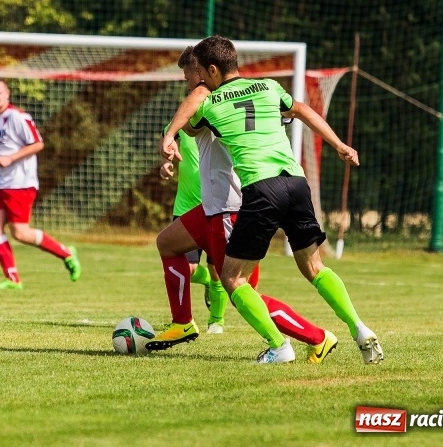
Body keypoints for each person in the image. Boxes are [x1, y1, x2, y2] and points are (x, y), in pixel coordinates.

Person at [161, 36, 383, 365]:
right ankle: (360, 327)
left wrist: (169, 135)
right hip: (295, 182)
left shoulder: (210, 102)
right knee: (315, 267)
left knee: (234, 280)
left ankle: (281, 346)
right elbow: (304, 109)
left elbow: (194, 112)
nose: (197, 83)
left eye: (199, 75)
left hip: (258, 192)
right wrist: (338, 144)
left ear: (211, 70)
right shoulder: (268, 87)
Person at [0, 77, 82, 290]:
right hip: (0, 183)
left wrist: (11, 159)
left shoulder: (18, 117)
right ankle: (12, 279)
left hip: (20, 183)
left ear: (7, 94)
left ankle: (66, 253)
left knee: (20, 233)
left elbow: (38, 143)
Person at [159, 121, 217, 330]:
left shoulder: (218, 120)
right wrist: (166, 165)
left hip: (218, 204)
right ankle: (185, 318)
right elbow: (167, 147)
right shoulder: (177, 127)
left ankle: (216, 322)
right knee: (188, 268)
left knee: (218, 269)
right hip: (185, 206)